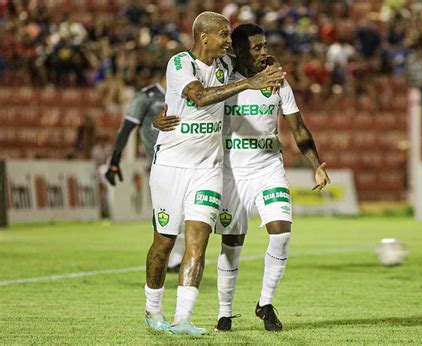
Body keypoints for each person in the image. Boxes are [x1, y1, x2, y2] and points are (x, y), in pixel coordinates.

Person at [155, 23, 330, 333]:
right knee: (231, 244)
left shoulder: (277, 82)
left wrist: (315, 164)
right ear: (237, 51)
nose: (264, 52)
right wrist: (159, 119)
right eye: (257, 47)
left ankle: (265, 303)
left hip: (267, 168)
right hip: (230, 172)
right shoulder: (223, 78)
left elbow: (298, 128)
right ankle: (225, 313)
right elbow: (192, 101)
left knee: (281, 232)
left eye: (266, 46)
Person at [146, 12, 284, 336]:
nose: (227, 41)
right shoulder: (181, 64)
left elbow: (253, 63)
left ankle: (182, 319)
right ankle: (153, 311)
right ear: (203, 37)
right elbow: (199, 96)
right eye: (223, 35)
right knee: (164, 242)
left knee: (199, 241)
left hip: (208, 169)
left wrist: (267, 63)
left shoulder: (225, 66)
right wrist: (248, 82)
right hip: (171, 165)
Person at [104, 69, 184, 273]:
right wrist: (114, 160)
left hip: (187, 162)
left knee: (186, 211)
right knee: (168, 213)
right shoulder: (146, 96)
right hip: (159, 164)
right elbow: (127, 128)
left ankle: (176, 259)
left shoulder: (186, 94)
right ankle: (169, 257)